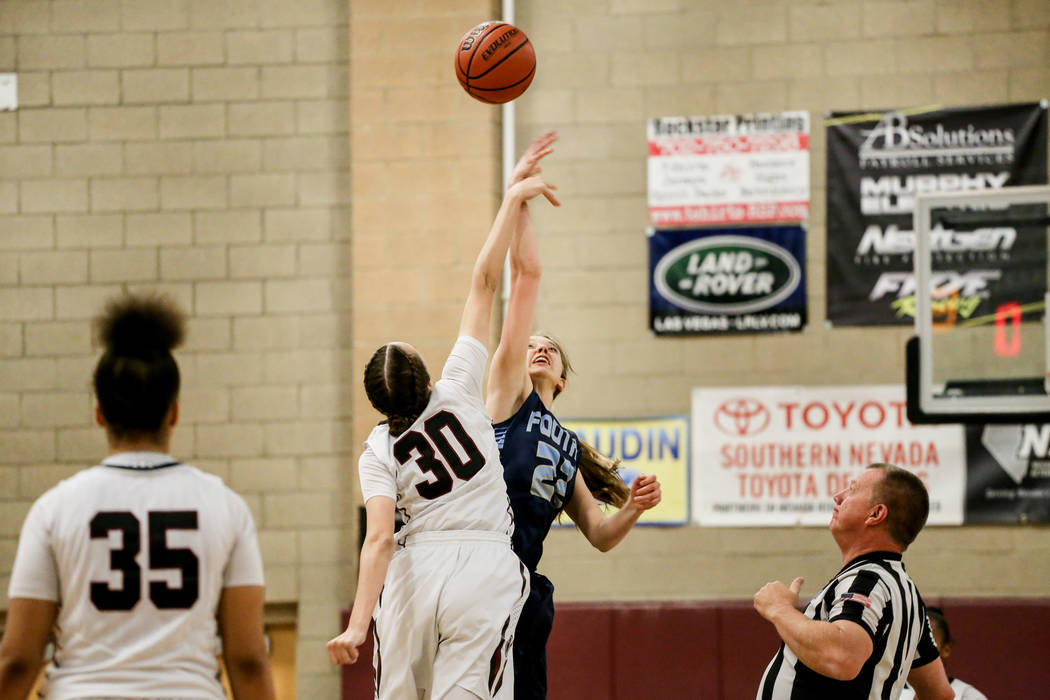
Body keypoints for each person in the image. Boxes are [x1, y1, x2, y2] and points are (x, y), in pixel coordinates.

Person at [326, 174, 560, 700]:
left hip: (414, 570)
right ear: (426, 377)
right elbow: (485, 282)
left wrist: (357, 625)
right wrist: (510, 199)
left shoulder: (377, 448)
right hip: (483, 564)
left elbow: (379, 539)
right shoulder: (456, 387)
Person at [0, 293, 275, 699]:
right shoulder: (226, 507)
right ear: (174, 411)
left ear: (99, 412)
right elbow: (249, 659)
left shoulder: (54, 509)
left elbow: (18, 659)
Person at [485, 131, 663, 700]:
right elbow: (524, 281)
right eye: (530, 343)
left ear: (561, 378)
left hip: (525, 588)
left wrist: (631, 508)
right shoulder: (506, 396)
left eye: (551, 348)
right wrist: (518, 200)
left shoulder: (565, 444)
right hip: (478, 575)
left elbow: (599, 535)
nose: (537, 346)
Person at [754, 463, 954, 700]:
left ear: (876, 514)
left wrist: (779, 609)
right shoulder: (906, 595)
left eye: (851, 490)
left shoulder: (869, 578)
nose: (837, 496)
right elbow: (939, 694)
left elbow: (843, 658)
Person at [899, 606, 989, 700]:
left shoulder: (966, 695)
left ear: (946, 649)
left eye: (927, 645)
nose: (918, 652)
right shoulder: (890, 690)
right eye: (913, 644)